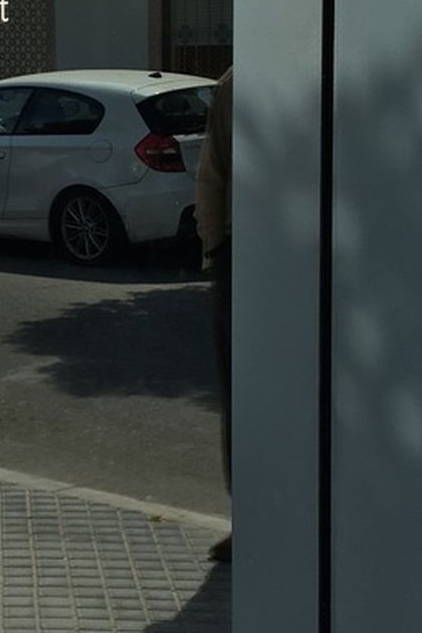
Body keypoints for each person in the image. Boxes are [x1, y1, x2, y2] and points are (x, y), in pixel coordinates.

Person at [195, 66, 233, 563]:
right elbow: (213, 173)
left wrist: (215, 249)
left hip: (242, 252)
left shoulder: (236, 82)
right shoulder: (238, 83)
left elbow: (211, 173)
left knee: (242, 396)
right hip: (243, 254)